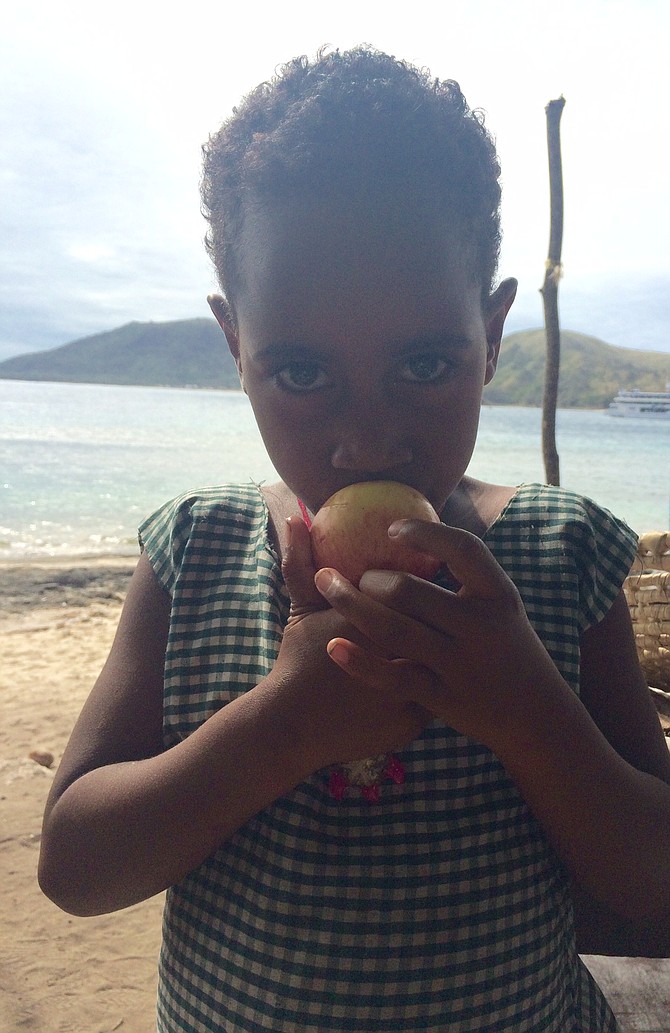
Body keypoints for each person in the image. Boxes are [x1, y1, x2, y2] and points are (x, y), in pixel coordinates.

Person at [39, 46, 670, 1032]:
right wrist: (281, 727)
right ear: (236, 344)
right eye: (300, 373)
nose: (368, 436)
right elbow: (75, 867)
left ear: (492, 332)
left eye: (424, 362)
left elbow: (654, 887)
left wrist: (525, 712)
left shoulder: (558, 561)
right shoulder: (196, 556)